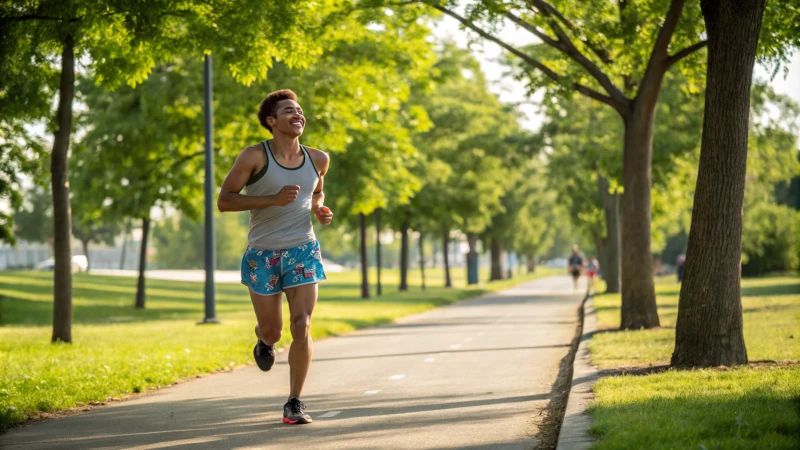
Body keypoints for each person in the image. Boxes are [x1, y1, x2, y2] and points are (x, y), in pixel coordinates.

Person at [217, 89, 333, 425]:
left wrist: (318, 209)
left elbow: (317, 190)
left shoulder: (318, 158)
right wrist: (272, 199)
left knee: (303, 325)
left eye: (299, 110)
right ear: (271, 121)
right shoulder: (254, 156)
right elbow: (225, 201)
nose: (297, 115)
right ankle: (263, 341)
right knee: (273, 331)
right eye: (288, 111)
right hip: (262, 255)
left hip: (303, 249)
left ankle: (294, 402)